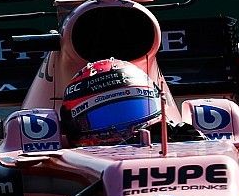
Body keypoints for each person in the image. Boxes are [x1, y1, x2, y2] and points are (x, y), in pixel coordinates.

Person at [60, 58, 204, 146]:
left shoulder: (177, 138)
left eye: (137, 109)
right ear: (73, 126)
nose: (129, 132)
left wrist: (199, 148)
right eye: (106, 117)